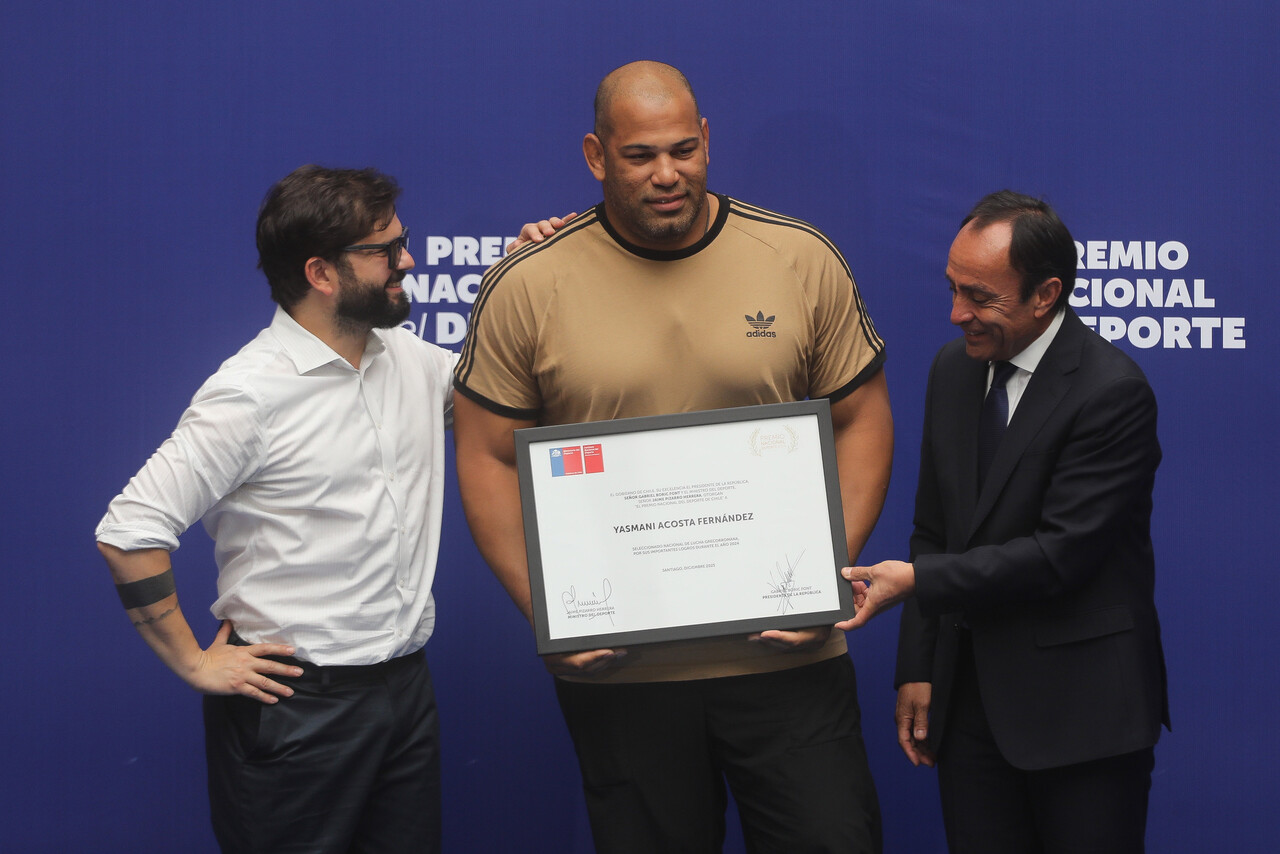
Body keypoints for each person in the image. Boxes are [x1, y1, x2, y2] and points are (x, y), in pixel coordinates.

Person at [453, 61, 892, 853]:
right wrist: (549, 612)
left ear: (708, 142)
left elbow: (862, 419)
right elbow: (485, 456)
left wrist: (826, 575)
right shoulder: (528, 283)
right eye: (640, 156)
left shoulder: (799, 257)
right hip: (622, 674)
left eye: (684, 151)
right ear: (596, 156)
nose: (667, 175)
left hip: (788, 664)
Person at [96, 165, 456, 854]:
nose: (407, 260)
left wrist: (539, 268)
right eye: (386, 250)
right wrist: (197, 665)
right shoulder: (249, 395)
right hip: (295, 712)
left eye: (402, 241)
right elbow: (129, 531)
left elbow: (510, 387)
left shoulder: (412, 361)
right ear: (321, 273)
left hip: (406, 693)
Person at [838, 191, 1170, 853]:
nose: (957, 313)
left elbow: (1059, 556)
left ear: (1046, 295)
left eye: (980, 297)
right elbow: (933, 528)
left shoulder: (1112, 392)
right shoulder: (951, 371)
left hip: (1083, 720)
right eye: (953, 288)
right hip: (971, 715)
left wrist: (915, 584)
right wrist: (919, 667)